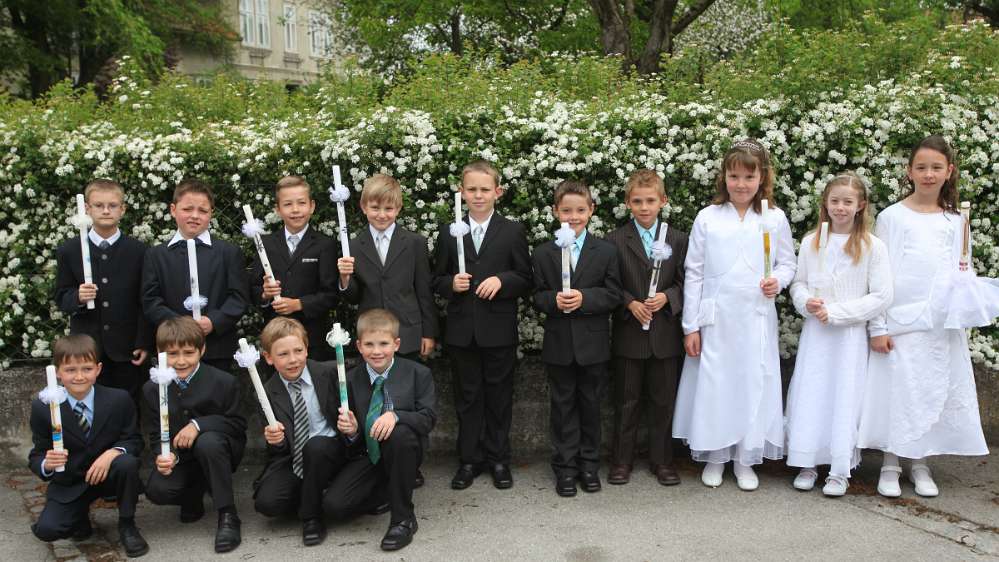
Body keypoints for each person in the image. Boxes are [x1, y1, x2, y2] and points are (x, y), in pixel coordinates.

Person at [858, 135, 990, 498]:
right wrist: (878, 325)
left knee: (931, 391)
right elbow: (880, 277)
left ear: (949, 171)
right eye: (921, 167)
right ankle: (890, 460)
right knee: (899, 390)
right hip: (901, 320)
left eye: (936, 168)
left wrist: (961, 304)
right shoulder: (893, 217)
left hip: (940, 322)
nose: (928, 174)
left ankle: (920, 462)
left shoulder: (956, 221)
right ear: (909, 172)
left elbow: (962, 269)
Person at [673, 139, 796, 491]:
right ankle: (716, 454)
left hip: (755, 316)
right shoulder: (708, 218)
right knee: (717, 384)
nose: (740, 184)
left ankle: (745, 456)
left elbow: (788, 262)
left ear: (762, 178)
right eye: (734, 176)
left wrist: (779, 281)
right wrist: (690, 325)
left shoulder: (773, 217)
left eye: (748, 176)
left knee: (752, 381)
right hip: (717, 319)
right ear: (723, 178)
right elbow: (694, 271)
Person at [785, 172, 892, 496]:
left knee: (844, 396)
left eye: (848, 202)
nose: (841, 207)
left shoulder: (873, 246)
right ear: (825, 204)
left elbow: (882, 295)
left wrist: (838, 313)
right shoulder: (811, 241)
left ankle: (838, 469)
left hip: (848, 338)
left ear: (860, 205)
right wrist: (806, 302)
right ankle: (807, 461)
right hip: (817, 335)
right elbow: (799, 283)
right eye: (835, 201)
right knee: (812, 394)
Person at [432, 160, 532, 490]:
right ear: (461, 192)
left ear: (497, 192)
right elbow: (437, 279)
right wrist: (451, 285)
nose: (477, 195)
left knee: (499, 397)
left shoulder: (512, 231)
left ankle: (498, 459)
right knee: (468, 398)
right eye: (471, 189)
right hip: (462, 332)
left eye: (484, 190)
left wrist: (502, 281)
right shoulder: (450, 232)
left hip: (498, 331)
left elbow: (525, 277)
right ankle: (469, 460)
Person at [252, 317, 378, 546]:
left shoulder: (332, 374)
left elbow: (366, 371)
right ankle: (318, 491)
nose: (293, 360)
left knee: (317, 447)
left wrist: (353, 430)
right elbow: (279, 449)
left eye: (298, 350)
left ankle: (311, 516)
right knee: (267, 503)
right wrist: (275, 440)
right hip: (297, 459)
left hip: (333, 451)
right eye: (283, 354)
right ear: (268, 358)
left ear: (307, 349)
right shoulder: (268, 392)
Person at [531, 180, 621, 497]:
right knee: (563, 408)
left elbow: (613, 294)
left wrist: (585, 298)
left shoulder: (606, 251)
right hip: (559, 345)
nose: (573, 216)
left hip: (593, 346)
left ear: (591, 211)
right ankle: (565, 468)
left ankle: (588, 465)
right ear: (556, 212)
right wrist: (552, 300)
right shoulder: (543, 253)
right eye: (566, 210)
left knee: (591, 407)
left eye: (580, 210)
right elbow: (537, 295)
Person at [28, 334, 148, 557]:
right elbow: (36, 454)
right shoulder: (43, 407)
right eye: (71, 370)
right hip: (70, 482)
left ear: (98, 369)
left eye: (86, 368)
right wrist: (47, 463)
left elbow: (133, 440)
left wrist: (112, 453)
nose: (79, 376)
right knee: (47, 529)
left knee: (127, 463)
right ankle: (79, 516)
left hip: (109, 476)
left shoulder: (119, 399)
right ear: (58, 372)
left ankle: (127, 524)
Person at [606, 169, 688, 487]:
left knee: (662, 402)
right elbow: (610, 283)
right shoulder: (614, 240)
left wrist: (668, 297)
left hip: (665, 335)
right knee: (626, 402)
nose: (644, 207)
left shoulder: (678, 239)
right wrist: (629, 303)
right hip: (629, 334)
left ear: (662, 201)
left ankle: (662, 460)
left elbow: (687, 281)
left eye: (650, 201)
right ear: (628, 203)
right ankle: (621, 461)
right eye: (637, 201)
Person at [142, 316, 247, 553]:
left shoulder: (224, 382)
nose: (180, 361)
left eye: (188, 353)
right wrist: (163, 455)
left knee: (208, 442)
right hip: (183, 457)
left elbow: (237, 424)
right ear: (159, 353)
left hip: (220, 450)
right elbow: (156, 433)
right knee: (158, 490)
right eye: (172, 354)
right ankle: (192, 494)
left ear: (202, 350)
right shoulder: (152, 388)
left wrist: (198, 425)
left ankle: (227, 514)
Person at [342, 309, 437, 551]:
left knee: (400, 434)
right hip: (366, 455)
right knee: (336, 506)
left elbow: (427, 420)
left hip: (403, 451)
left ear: (396, 344)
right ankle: (383, 491)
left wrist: (396, 415)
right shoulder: (350, 380)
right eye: (369, 344)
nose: (376, 351)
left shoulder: (418, 374)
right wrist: (352, 431)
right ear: (359, 346)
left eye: (383, 343)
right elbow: (348, 436)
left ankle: (403, 518)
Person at [54, 179, 151, 407]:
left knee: (127, 405)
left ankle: (126, 444)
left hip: (127, 350)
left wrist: (144, 342)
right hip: (87, 349)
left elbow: (145, 300)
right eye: (99, 205)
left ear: (123, 209)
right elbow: (61, 297)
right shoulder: (70, 250)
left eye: (113, 205)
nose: (106, 210)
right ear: (87, 208)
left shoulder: (139, 251)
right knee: (90, 405)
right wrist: (77, 297)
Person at [141, 178, 250, 370]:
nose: (195, 216)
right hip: (173, 349)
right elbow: (150, 299)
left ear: (211, 214)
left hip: (216, 348)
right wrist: (179, 326)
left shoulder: (228, 253)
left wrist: (213, 321)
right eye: (187, 209)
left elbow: (239, 297)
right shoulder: (156, 255)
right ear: (173, 210)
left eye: (202, 211)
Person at [337, 173, 438, 360]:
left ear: (398, 208)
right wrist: (345, 279)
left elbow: (424, 292)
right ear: (364, 207)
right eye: (375, 208)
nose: (382, 215)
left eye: (389, 208)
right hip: (371, 336)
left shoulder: (415, 243)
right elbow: (354, 297)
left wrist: (428, 333)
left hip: (408, 333)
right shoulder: (352, 247)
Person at [251, 176, 339, 361]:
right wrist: (265, 294)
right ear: (278, 209)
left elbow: (331, 295)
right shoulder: (264, 244)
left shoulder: (325, 245)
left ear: (312, 206)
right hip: (275, 339)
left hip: (312, 339)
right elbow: (253, 289)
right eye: (288, 204)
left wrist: (298, 304)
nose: (296, 210)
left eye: (301, 203)